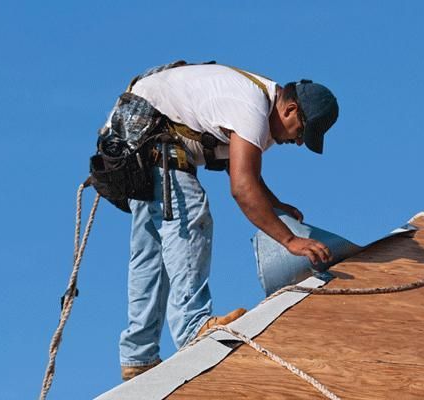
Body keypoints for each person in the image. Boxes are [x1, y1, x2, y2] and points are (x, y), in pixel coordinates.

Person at [107, 62, 339, 380]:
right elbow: (242, 187)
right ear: (290, 109)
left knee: (152, 251)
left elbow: (241, 170)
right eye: (301, 132)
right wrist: (290, 241)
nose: (298, 142)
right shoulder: (252, 107)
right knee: (190, 216)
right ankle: (193, 327)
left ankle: (139, 354)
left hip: (135, 130)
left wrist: (274, 204)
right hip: (151, 134)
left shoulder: (259, 104)